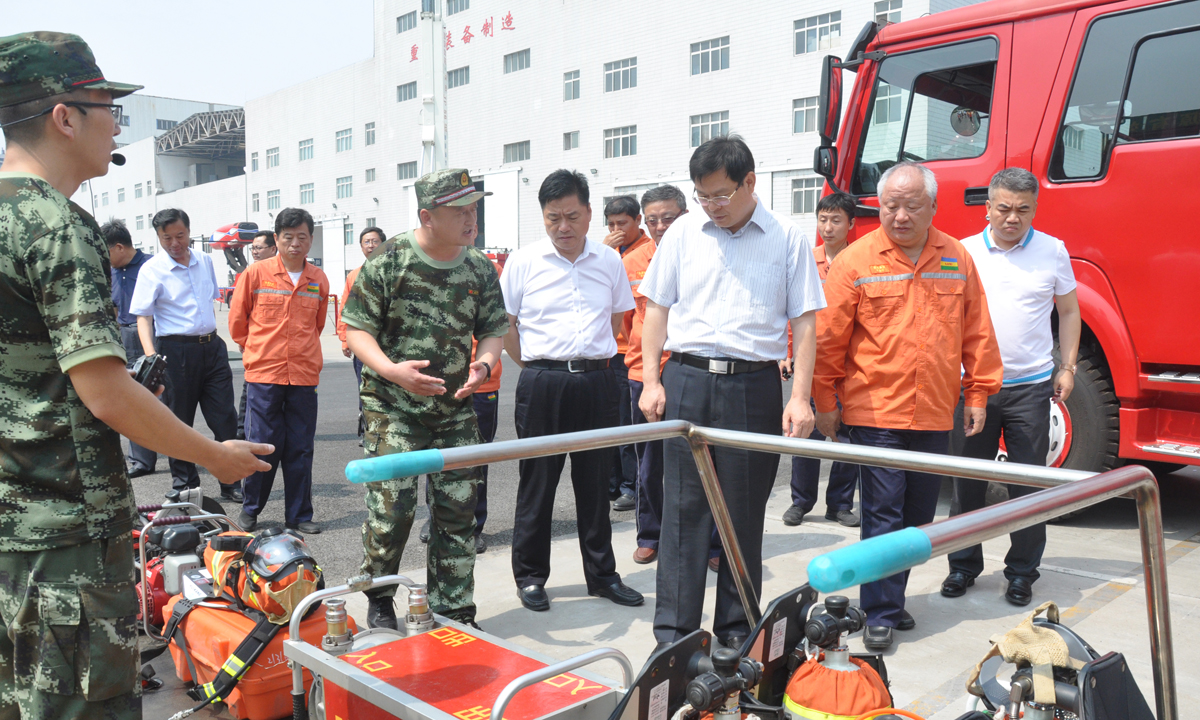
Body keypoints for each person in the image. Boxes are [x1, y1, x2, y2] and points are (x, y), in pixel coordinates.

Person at [0, 31, 270, 718]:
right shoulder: (56, 226)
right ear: (64, 117)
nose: (116, 126)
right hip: (65, 536)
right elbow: (105, 394)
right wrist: (215, 455)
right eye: (107, 109)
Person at [638, 136, 825, 650]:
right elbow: (656, 308)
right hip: (687, 379)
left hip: (753, 385)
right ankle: (674, 637)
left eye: (721, 195)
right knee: (683, 513)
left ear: (750, 182)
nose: (712, 206)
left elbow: (805, 322)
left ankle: (737, 631)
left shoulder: (786, 237)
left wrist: (799, 397)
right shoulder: (682, 233)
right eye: (703, 196)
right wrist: (652, 380)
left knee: (743, 514)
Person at [814, 161, 1002, 651]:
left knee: (918, 518)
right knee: (882, 513)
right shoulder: (855, 261)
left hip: (934, 410)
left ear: (933, 206)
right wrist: (825, 401)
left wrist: (978, 392)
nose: (900, 216)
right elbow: (828, 339)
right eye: (890, 206)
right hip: (874, 411)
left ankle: (891, 599)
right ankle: (879, 611)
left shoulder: (956, 257)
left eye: (912, 205)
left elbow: (977, 330)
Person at [343, 169, 506, 630]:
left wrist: (484, 365)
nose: (471, 220)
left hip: (453, 408)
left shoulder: (479, 267)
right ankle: (379, 595)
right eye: (460, 212)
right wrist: (392, 370)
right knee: (392, 510)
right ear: (427, 216)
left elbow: (493, 329)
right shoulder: (389, 260)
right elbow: (356, 329)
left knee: (458, 510)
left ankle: (454, 609)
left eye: (474, 209)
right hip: (392, 406)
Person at [501, 169, 643, 613]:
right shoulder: (524, 261)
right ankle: (530, 577)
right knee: (537, 483)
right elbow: (506, 326)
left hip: (598, 381)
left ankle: (602, 576)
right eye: (553, 217)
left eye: (572, 216)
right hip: (543, 383)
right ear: (543, 217)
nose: (563, 226)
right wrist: (538, 366)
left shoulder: (608, 261)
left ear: (588, 213)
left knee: (596, 482)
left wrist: (586, 361)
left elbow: (617, 319)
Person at [942, 167, 1081, 607]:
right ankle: (962, 566)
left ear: (1035, 208)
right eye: (1003, 208)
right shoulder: (963, 252)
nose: (1012, 217)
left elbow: (1069, 312)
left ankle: (1022, 572)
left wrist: (1068, 367)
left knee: (1028, 486)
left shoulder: (1052, 251)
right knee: (968, 484)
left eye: (1023, 209)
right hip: (974, 389)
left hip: (1031, 389)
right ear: (987, 207)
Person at [130, 207, 245, 501]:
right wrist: (151, 356)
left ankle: (230, 481)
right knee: (178, 422)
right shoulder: (152, 269)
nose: (174, 243)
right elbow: (143, 317)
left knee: (225, 418)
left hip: (213, 348)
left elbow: (208, 303)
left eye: (179, 235)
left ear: (189, 232)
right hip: (175, 352)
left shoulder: (204, 260)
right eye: (166, 238)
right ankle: (185, 485)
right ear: (158, 238)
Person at [229, 208, 329, 534]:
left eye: (302, 237)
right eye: (288, 237)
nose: (295, 244)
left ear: (310, 240)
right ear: (277, 239)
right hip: (264, 374)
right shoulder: (256, 273)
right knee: (262, 444)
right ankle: (251, 509)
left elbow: (317, 325)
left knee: (300, 447)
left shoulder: (318, 279)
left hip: (304, 374)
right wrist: (255, 351)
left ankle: (299, 515)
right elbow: (238, 322)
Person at [780, 192, 862, 529]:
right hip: (811, 366)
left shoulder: (858, 261)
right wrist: (787, 353)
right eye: (823, 220)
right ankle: (801, 501)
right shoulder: (806, 261)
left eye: (836, 220)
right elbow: (793, 310)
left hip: (851, 368)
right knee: (806, 434)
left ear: (851, 224)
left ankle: (840, 504)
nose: (827, 227)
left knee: (847, 439)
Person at [420, 255, 505, 555]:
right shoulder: (427, 263)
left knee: (476, 457)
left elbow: (498, 326)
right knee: (438, 454)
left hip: (480, 382)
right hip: (437, 382)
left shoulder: (488, 269)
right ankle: (436, 518)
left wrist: (484, 366)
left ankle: (474, 526)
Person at [602, 195, 651, 512]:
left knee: (628, 422)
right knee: (607, 421)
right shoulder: (606, 252)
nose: (616, 230)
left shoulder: (647, 253)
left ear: (637, 221)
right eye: (611, 224)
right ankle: (611, 482)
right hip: (606, 351)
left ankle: (630, 487)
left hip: (630, 353)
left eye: (622, 223)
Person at [104, 217, 158, 477]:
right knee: (134, 400)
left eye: (106, 252)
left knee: (164, 397)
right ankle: (141, 460)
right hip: (124, 336)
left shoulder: (151, 266)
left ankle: (182, 453)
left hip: (152, 334)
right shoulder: (111, 272)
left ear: (119, 247)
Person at [336, 226, 385, 439]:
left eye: (375, 241)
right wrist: (345, 339)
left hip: (388, 346)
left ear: (383, 244)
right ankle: (368, 433)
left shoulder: (394, 271)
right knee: (365, 389)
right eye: (367, 242)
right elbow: (345, 309)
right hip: (363, 344)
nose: (371, 245)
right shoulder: (354, 275)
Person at [236, 230, 277, 440]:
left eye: (259, 248)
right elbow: (238, 314)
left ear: (273, 248)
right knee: (250, 393)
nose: (254, 252)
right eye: (252, 248)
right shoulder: (251, 273)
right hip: (257, 349)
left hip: (279, 351)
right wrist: (245, 341)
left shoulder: (281, 275)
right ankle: (242, 433)